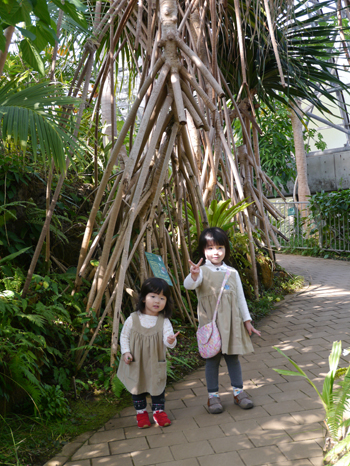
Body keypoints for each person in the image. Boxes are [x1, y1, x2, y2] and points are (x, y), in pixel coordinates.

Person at [184, 227, 261, 414]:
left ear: (226, 249)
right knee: (212, 360)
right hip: (211, 324)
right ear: (203, 250)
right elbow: (188, 285)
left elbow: (240, 298)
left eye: (219, 247)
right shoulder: (201, 272)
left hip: (232, 323)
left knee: (233, 358)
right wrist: (193, 274)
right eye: (210, 248)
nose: (215, 252)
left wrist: (247, 321)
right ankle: (213, 397)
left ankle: (238, 392)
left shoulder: (232, 272)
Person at [117, 277, 179, 428]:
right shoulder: (133, 318)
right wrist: (126, 352)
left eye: (162, 298)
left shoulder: (164, 321)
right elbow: (124, 336)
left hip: (155, 361)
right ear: (144, 298)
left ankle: (159, 412)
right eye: (153, 296)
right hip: (136, 361)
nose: (157, 301)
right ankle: (141, 414)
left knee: (157, 386)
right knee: (137, 387)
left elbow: (168, 342)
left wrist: (171, 341)